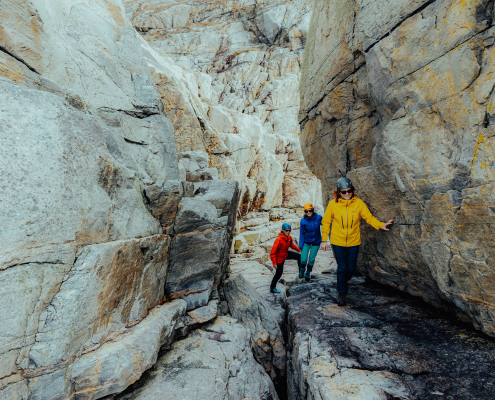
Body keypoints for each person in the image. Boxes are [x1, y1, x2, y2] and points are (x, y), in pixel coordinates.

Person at [321, 177, 393, 306]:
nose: (347, 194)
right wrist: (324, 240)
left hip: (354, 241)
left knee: (351, 268)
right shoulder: (333, 204)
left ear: (352, 190)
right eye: (344, 192)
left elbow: (369, 218)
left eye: (349, 191)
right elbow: (326, 222)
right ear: (338, 193)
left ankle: (344, 280)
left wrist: (381, 225)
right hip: (337, 241)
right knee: (342, 268)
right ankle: (342, 293)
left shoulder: (359, 203)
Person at [270, 222, 301, 293]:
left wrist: (298, 250)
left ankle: (300, 273)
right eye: (287, 230)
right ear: (283, 230)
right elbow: (272, 252)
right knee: (278, 274)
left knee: (299, 256)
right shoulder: (278, 240)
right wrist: (274, 263)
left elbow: (292, 245)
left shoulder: (289, 237)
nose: (288, 232)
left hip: (286, 254)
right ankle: (272, 288)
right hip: (280, 258)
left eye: (289, 230)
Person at [299, 203, 323, 282]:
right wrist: (301, 245)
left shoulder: (319, 218)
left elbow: (326, 224)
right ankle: (302, 270)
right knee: (303, 259)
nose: (308, 212)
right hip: (306, 241)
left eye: (310, 210)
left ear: (313, 210)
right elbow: (301, 233)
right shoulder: (303, 220)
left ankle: (308, 272)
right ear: (305, 212)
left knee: (311, 259)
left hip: (316, 242)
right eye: (307, 211)